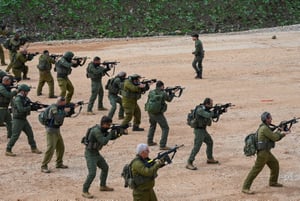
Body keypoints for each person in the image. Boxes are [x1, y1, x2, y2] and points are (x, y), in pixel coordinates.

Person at [242, 112, 288, 194]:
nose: (271, 119)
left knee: (275, 164)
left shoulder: (265, 127)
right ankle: (245, 187)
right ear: (266, 119)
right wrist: (282, 134)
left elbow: (272, 134)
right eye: (270, 118)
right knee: (255, 170)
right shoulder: (264, 129)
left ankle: (273, 182)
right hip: (263, 154)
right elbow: (274, 138)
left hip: (266, 152)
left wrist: (279, 128)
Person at [82, 116, 121, 199]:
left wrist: (118, 134)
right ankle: (85, 190)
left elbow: (109, 137)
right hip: (90, 154)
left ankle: (102, 186)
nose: (109, 127)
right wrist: (111, 133)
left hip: (96, 153)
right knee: (92, 173)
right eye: (108, 125)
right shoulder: (96, 131)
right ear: (103, 124)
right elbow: (103, 141)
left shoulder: (103, 130)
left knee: (105, 167)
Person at [6, 84, 42, 156]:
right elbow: (21, 109)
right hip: (18, 120)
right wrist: (30, 108)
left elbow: (29, 103)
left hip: (23, 119)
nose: (27, 93)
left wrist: (35, 106)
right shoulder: (18, 99)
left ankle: (33, 147)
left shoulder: (25, 98)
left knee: (30, 133)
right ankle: (8, 149)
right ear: (22, 91)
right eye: (26, 91)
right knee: (15, 136)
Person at [41, 96, 74, 173]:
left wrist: (72, 109)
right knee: (50, 148)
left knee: (61, 147)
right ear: (60, 102)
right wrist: (65, 111)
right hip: (51, 131)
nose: (64, 104)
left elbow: (67, 115)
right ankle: (44, 166)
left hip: (56, 130)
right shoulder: (54, 108)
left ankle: (59, 163)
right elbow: (58, 117)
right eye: (63, 103)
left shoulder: (60, 108)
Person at [186, 97, 219, 170]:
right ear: (207, 104)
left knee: (210, 142)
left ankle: (210, 158)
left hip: (203, 130)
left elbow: (211, 115)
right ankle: (189, 162)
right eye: (211, 104)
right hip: (199, 131)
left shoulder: (205, 109)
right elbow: (208, 115)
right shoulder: (200, 109)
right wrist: (215, 111)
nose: (212, 105)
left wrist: (219, 112)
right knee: (197, 147)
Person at [146, 81, 177, 150]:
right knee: (165, 128)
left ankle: (149, 141)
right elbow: (169, 99)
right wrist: (173, 93)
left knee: (152, 125)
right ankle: (162, 145)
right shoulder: (163, 93)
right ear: (162, 86)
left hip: (150, 112)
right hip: (158, 113)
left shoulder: (151, 92)